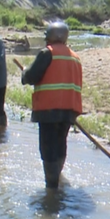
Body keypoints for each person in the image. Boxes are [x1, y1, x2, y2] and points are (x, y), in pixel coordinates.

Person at [21, 21, 83, 190]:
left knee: (48, 148)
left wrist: (24, 74)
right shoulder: (75, 57)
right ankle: (57, 177)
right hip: (69, 110)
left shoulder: (47, 53)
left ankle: (51, 188)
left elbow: (31, 77)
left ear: (51, 37)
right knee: (61, 144)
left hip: (49, 110)